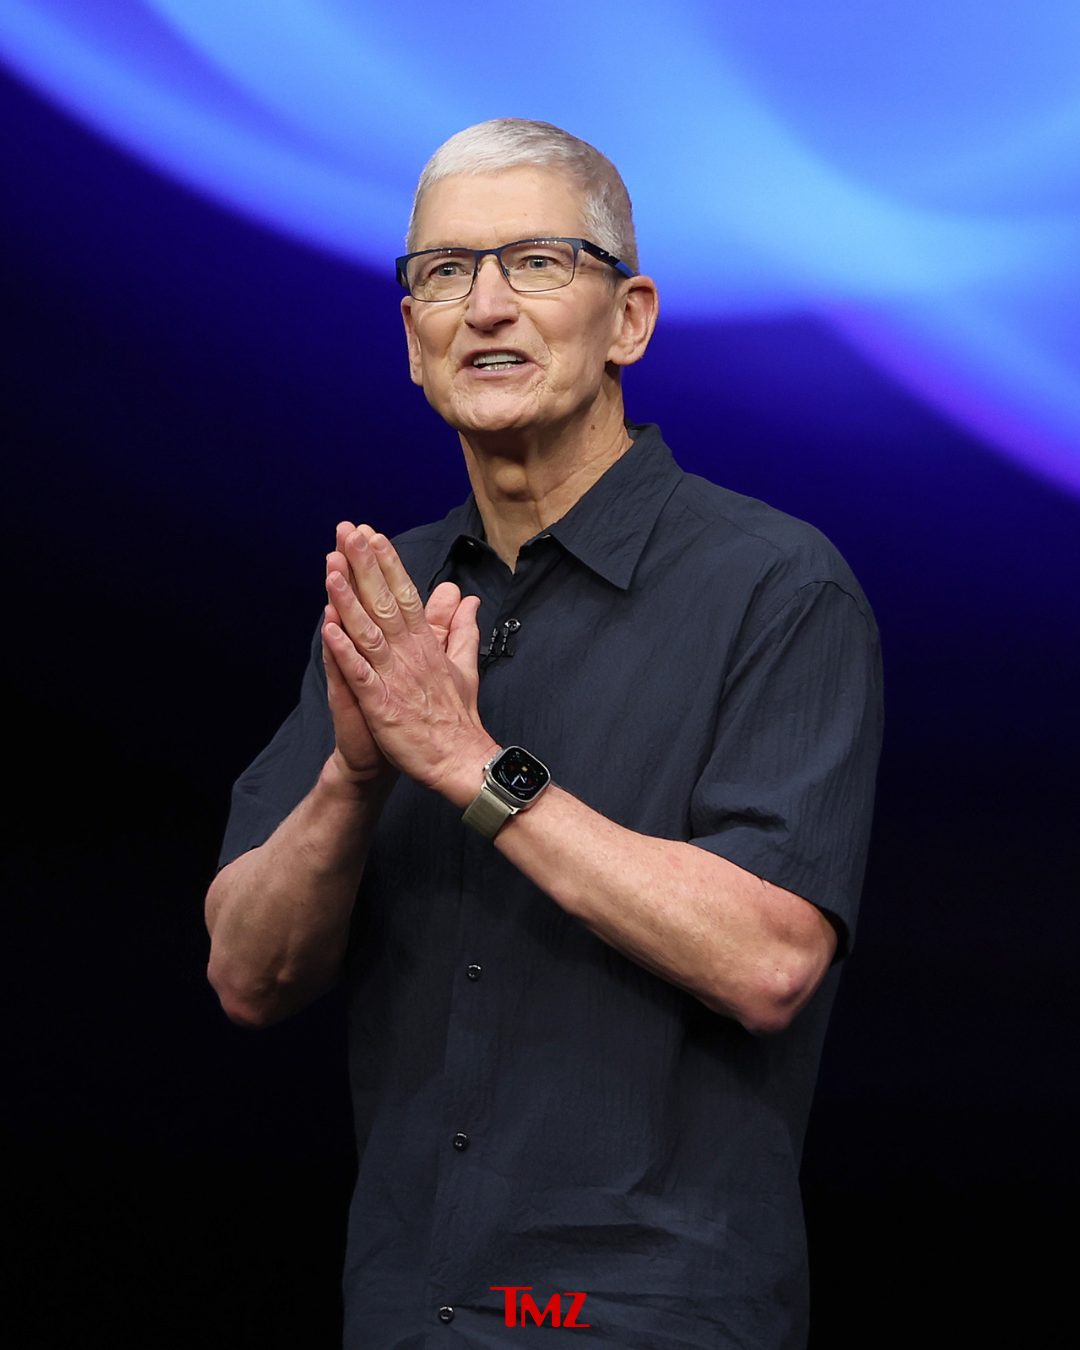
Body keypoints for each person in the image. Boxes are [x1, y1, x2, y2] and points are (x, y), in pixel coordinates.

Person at [206, 118, 883, 1349]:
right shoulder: (389, 604)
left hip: (642, 1318)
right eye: (445, 272)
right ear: (411, 339)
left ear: (630, 318)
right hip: (406, 1309)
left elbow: (769, 959)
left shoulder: (776, 585)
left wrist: (470, 766)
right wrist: (355, 775)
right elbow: (249, 976)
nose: (485, 307)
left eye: (536, 262)